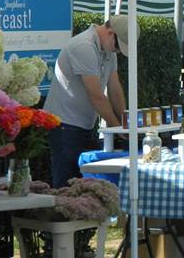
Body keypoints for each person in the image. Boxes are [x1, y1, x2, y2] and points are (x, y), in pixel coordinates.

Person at [44, 15, 137, 187]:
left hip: (83, 126)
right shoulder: (83, 46)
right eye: (118, 46)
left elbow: (115, 89)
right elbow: (96, 95)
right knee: (67, 186)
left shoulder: (108, 49)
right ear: (110, 33)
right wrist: (118, 126)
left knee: (85, 186)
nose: (117, 51)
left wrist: (125, 120)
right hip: (64, 125)